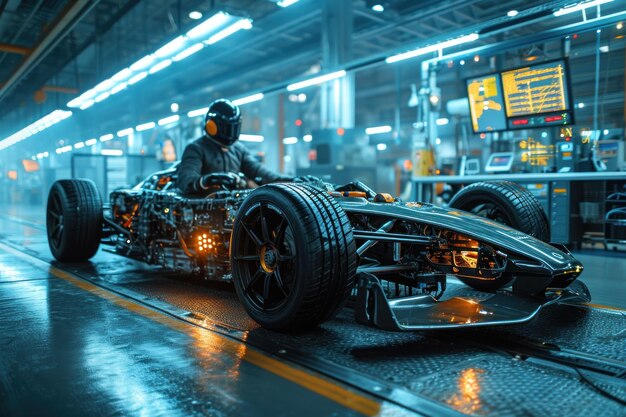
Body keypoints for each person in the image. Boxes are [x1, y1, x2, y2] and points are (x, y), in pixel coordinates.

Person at [177, 99, 292, 195]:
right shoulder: (196, 149)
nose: (232, 132)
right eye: (228, 128)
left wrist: (291, 181)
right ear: (211, 126)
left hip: (234, 210)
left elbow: (261, 173)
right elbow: (186, 181)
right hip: (205, 213)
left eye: (234, 127)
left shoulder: (238, 149)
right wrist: (209, 180)